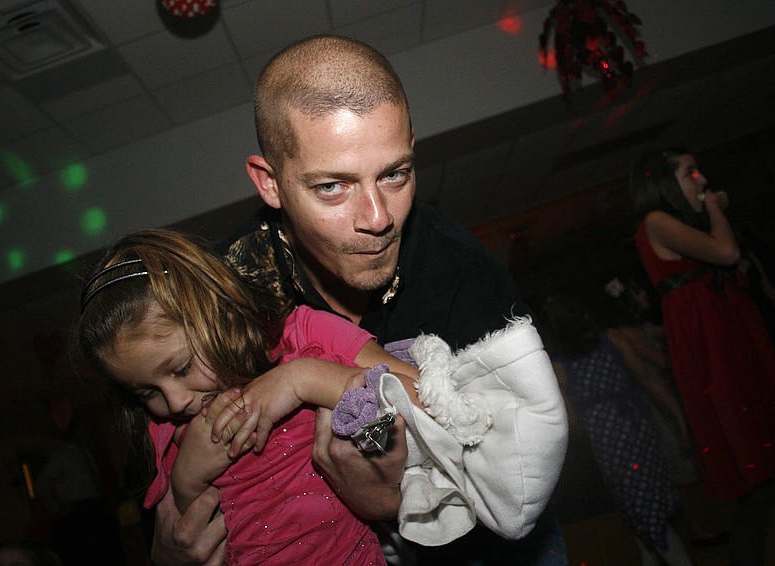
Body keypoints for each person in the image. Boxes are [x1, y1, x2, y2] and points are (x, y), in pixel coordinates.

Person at [151, 34, 568, 566]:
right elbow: (175, 497)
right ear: (270, 183)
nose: (378, 218)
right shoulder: (222, 295)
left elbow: (515, 489)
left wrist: (385, 503)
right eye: (332, 187)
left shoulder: (461, 273)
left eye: (395, 174)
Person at [77, 229, 565, 565]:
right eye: (147, 392)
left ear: (217, 312)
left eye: (180, 368)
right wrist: (187, 475)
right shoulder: (168, 432)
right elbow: (190, 542)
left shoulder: (303, 336)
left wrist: (301, 379)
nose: (174, 402)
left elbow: (425, 401)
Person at [630, 147, 775, 565]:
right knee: (759, 482)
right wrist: (712, 206)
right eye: (690, 173)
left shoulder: (672, 222)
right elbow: (726, 253)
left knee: (763, 481)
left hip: (727, 338)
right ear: (664, 182)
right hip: (714, 350)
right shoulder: (656, 221)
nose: (702, 180)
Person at [541, 292, 694, 566]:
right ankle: (660, 555)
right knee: (647, 493)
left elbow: (571, 420)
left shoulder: (558, 368)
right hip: (638, 428)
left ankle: (670, 557)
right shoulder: (613, 339)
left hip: (608, 444)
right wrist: (679, 416)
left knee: (634, 498)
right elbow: (649, 378)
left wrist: (595, 428)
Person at [34, 426, 126, 566]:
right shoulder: (62, 456)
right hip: (78, 512)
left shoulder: (85, 452)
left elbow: (96, 479)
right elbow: (41, 484)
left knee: (107, 550)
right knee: (85, 553)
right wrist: (55, 507)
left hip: (96, 508)